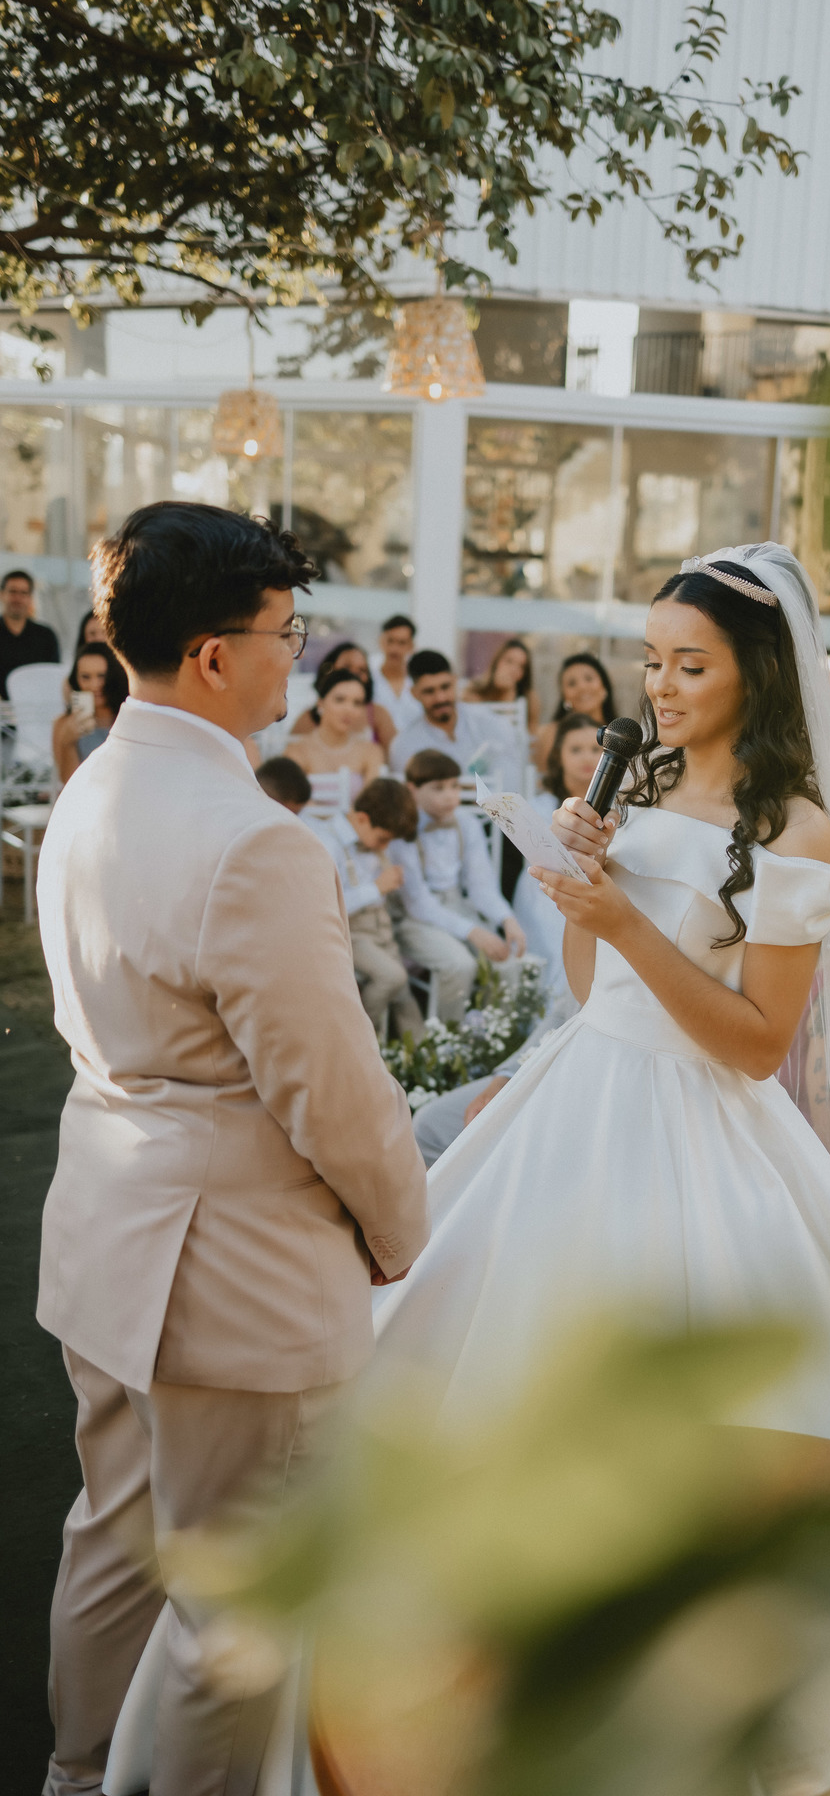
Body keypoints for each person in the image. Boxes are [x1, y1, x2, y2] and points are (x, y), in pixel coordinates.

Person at [371, 544, 830, 1452]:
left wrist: (624, 919)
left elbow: (761, 1046)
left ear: (756, 674)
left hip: (697, 1124)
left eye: (690, 665)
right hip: (579, 1091)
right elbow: (592, 986)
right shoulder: (641, 782)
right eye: (651, 660)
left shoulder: (799, 829)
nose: (660, 687)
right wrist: (581, 881)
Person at [35, 501, 427, 1796]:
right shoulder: (255, 838)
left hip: (106, 1224)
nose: (296, 658)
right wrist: (400, 1229)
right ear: (214, 656)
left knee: (113, 1543)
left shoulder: (88, 788)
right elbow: (331, 1092)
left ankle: (77, 1774)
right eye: (285, 633)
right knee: (235, 1604)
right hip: (234, 1269)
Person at [389, 748, 527, 1024]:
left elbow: (480, 885)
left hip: (456, 906)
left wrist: (507, 919)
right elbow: (418, 903)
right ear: (412, 790)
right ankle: (448, 1039)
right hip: (415, 918)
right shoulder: (402, 830)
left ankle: (494, 1034)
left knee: (506, 964)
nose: (451, 796)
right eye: (438, 788)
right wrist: (472, 931)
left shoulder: (467, 824)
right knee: (459, 965)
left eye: (454, 786)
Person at [304, 777, 426, 1043]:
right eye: (383, 839)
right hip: (350, 931)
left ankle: (420, 1050)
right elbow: (325, 905)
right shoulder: (329, 844)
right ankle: (360, 1040)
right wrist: (376, 888)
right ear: (361, 818)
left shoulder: (371, 840)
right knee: (393, 976)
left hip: (380, 925)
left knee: (403, 993)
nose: (385, 847)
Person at [512, 713, 604, 995]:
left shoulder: (619, 809)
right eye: (575, 750)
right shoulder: (538, 807)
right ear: (558, 756)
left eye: (595, 749)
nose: (587, 757)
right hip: (545, 890)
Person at [390, 649, 521, 792]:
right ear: (414, 693)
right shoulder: (404, 745)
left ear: (455, 681)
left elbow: (511, 782)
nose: (440, 698)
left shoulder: (492, 724)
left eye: (445, 687)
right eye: (429, 691)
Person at [285, 665, 385, 807]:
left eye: (357, 703)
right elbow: (292, 801)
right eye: (340, 699)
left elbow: (372, 803)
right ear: (320, 703)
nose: (348, 709)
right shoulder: (297, 751)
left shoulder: (371, 751)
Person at [288, 640, 397, 752]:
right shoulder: (309, 717)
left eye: (362, 669)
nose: (354, 673)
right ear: (329, 670)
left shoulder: (378, 715)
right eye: (347, 667)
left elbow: (396, 756)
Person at [51, 642, 129, 784]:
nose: (94, 685)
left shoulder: (130, 719)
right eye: (86, 677)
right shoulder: (64, 724)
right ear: (76, 680)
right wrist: (68, 743)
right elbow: (70, 783)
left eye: (101, 676)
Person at [533, 650, 615, 770]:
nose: (582, 687)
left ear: (604, 686)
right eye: (572, 683)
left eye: (589, 679)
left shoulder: (619, 735)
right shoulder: (552, 734)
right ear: (564, 696)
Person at [0, 566, 59, 696]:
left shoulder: (46, 636)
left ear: (30, 597)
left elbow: (53, 678)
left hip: (36, 705)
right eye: (12, 592)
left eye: (23, 593)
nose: (17, 598)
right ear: (2, 594)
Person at [464, 636, 541, 733]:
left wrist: (509, 695)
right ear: (497, 661)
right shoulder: (474, 689)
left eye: (521, 666)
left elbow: (530, 737)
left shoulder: (530, 700)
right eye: (509, 661)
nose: (514, 669)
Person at [371, 613, 422, 732]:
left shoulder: (419, 683)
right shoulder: (369, 680)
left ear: (411, 646)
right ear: (382, 642)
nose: (394, 649)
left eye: (401, 643)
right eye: (390, 641)